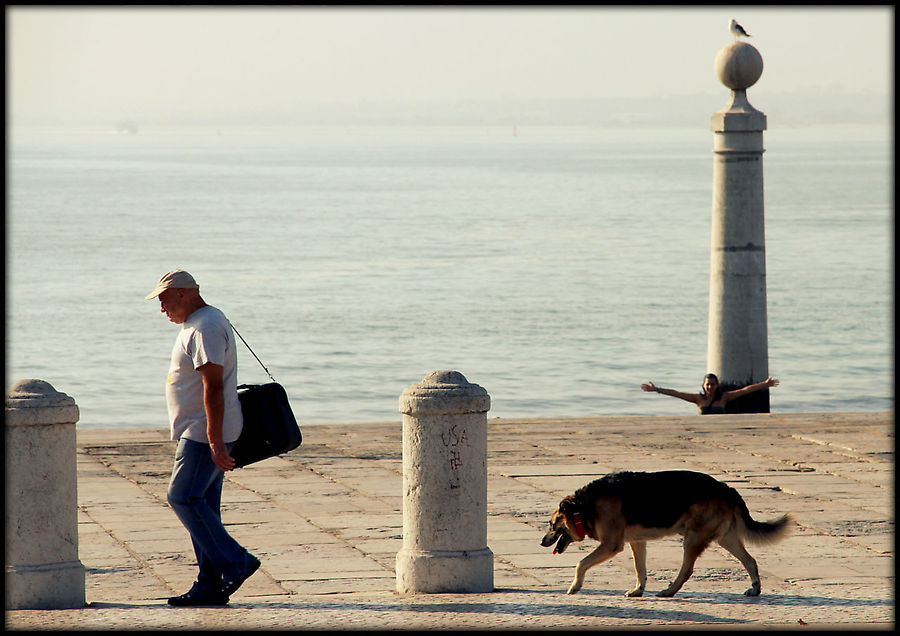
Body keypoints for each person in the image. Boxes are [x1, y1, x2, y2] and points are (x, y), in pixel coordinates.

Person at [146, 269, 260, 606]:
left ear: (183, 293)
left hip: (203, 432)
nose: (162, 307)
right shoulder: (201, 322)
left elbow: (212, 386)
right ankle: (208, 585)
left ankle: (237, 562)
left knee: (183, 498)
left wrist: (214, 441)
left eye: (164, 299)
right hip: (203, 430)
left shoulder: (205, 326)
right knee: (203, 505)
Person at [641, 373, 779, 415]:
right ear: (703, 385)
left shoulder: (724, 398)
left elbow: (745, 391)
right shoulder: (698, 398)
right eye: (707, 384)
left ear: (717, 385)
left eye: (712, 384)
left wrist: (765, 384)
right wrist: (656, 389)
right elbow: (677, 393)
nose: (709, 387)